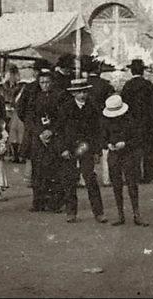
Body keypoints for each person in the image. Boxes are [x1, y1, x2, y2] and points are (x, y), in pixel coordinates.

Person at [57, 76, 108, 224]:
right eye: (79, 92)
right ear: (73, 93)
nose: (82, 95)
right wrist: (63, 149)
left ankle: (99, 212)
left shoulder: (92, 107)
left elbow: (98, 131)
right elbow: (59, 131)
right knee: (70, 179)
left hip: (87, 147)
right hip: (70, 147)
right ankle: (71, 212)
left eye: (84, 91)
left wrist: (97, 151)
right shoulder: (65, 108)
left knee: (90, 178)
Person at [102, 94, 148, 226]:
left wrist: (125, 143)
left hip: (129, 154)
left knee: (132, 184)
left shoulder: (130, 120)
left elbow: (138, 138)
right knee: (116, 185)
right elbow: (103, 137)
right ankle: (120, 215)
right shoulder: (106, 121)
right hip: (114, 155)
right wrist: (108, 145)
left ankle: (136, 214)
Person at [120, 59, 153, 183]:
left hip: (133, 124)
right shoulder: (149, 85)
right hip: (148, 123)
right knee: (148, 151)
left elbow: (123, 104)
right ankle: (148, 176)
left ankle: (136, 175)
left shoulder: (128, 86)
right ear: (143, 71)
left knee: (134, 151)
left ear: (132, 71)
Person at [30, 115, 63, 212]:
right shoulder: (32, 100)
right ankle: (38, 202)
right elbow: (26, 114)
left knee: (55, 172)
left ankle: (54, 203)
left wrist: (52, 130)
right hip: (36, 137)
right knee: (37, 172)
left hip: (56, 138)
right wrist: (38, 131)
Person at [7, 69, 35, 164]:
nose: (23, 85)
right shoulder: (17, 91)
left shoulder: (29, 92)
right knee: (14, 134)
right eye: (22, 84)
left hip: (23, 114)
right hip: (16, 114)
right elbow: (14, 102)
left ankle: (22, 155)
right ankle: (15, 155)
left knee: (22, 135)